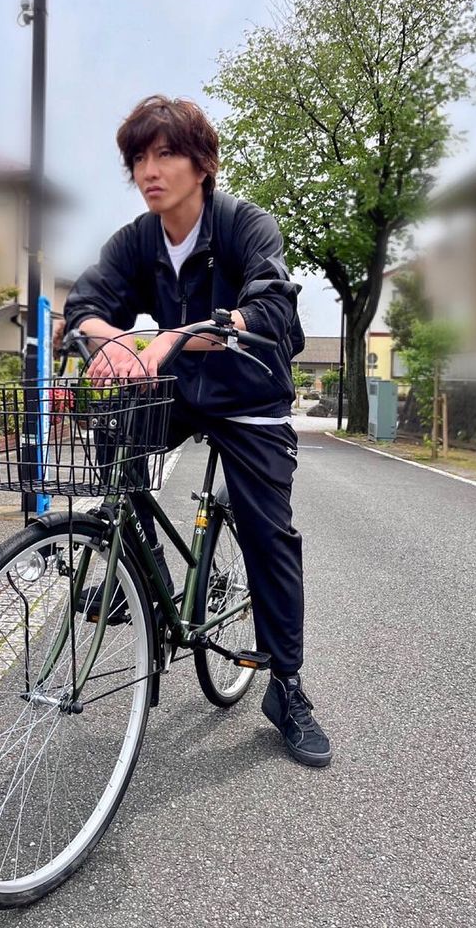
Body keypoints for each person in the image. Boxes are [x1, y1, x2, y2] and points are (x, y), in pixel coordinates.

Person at [62, 94, 331, 768]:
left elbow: (271, 308)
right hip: (181, 391)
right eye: (138, 159)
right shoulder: (138, 239)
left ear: (202, 163)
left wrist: (178, 334)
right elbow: (85, 303)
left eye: (165, 154)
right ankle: (138, 573)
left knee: (268, 533)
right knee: (113, 426)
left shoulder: (243, 225)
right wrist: (110, 339)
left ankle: (287, 686)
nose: (149, 171)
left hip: (250, 396)